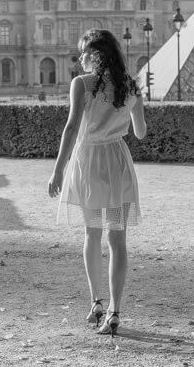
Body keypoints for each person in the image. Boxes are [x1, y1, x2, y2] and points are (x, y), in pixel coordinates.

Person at [48, 29, 147, 337]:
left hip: (89, 161)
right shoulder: (131, 85)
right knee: (118, 241)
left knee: (92, 235)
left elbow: (71, 127)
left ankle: (96, 304)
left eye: (82, 53)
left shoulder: (82, 84)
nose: (80, 59)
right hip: (118, 160)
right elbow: (141, 133)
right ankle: (116, 312)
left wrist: (58, 170)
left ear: (93, 55)